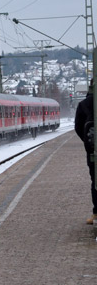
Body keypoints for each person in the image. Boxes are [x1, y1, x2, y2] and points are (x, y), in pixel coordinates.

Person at [74, 79, 97, 225]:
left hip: (92, 150)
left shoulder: (84, 104)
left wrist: (88, 143)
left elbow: (78, 127)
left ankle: (96, 213)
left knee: (95, 180)